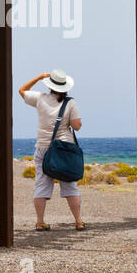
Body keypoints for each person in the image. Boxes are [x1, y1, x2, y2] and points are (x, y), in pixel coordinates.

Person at [19, 69, 84, 231]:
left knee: (41, 184)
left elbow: (22, 90)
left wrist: (39, 76)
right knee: (69, 184)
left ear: (50, 85)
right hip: (63, 149)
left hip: (43, 147)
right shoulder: (70, 103)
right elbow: (77, 126)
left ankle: (40, 221)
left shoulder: (40, 99)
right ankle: (78, 221)